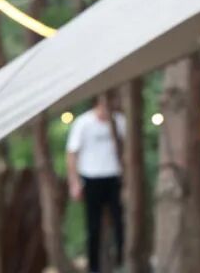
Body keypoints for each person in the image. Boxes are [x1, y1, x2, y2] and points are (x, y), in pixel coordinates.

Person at [66, 92, 125, 273]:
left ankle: (121, 260)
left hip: (113, 176)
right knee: (93, 225)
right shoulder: (83, 123)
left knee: (119, 221)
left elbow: (127, 148)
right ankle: (94, 267)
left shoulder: (119, 121)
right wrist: (74, 182)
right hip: (91, 178)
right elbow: (71, 153)